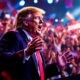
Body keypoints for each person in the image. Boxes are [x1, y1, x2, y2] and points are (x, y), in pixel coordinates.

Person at [0, 6, 59, 80]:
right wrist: (25, 53)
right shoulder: (13, 35)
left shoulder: (34, 43)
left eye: (42, 19)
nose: (42, 21)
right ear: (26, 22)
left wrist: (58, 66)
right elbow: (3, 61)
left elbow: (39, 74)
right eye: (37, 18)